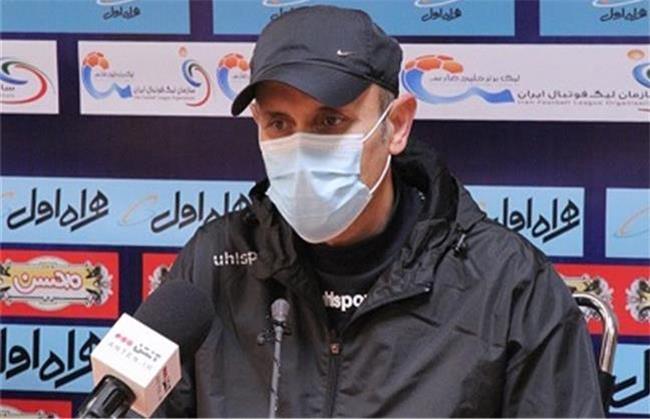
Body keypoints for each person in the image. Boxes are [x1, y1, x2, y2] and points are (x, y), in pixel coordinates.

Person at [157, 5, 604, 417]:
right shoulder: (211, 264)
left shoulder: (508, 285)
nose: (300, 148)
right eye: (279, 123)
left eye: (330, 121)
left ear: (396, 124)